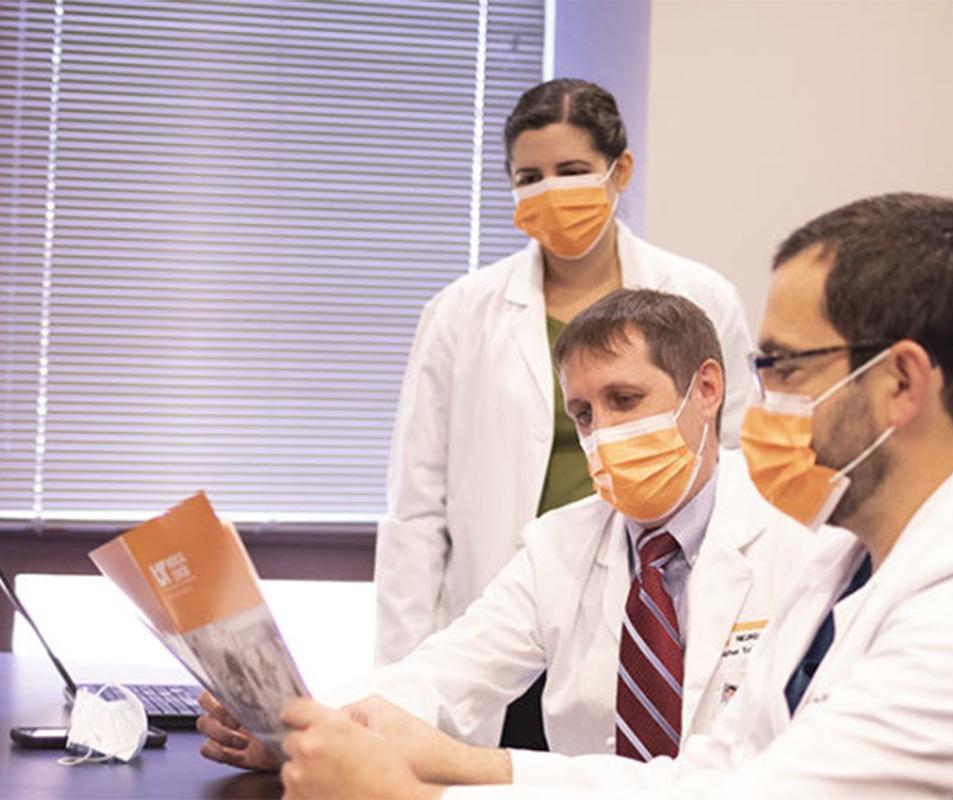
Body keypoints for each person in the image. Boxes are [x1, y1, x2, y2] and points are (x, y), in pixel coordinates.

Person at [275, 193, 953, 799]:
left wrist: (409, 797)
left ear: (900, 382)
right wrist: (462, 763)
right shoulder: (847, 561)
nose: (770, 399)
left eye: (786, 368)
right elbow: (706, 777)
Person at [198, 289, 812, 769]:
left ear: (706, 389)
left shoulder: (802, 538)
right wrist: (294, 730)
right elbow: (444, 674)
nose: (602, 433)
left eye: (624, 400)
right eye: (584, 413)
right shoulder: (559, 545)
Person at [375, 78, 753, 748]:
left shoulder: (697, 296)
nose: (552, 191)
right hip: (509, 605)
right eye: (531, 176)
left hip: (658, 602)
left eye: (572, 171)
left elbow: (739, 459)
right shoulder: (461, 313)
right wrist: (393, 686)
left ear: (620, 171)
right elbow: (415, 507)